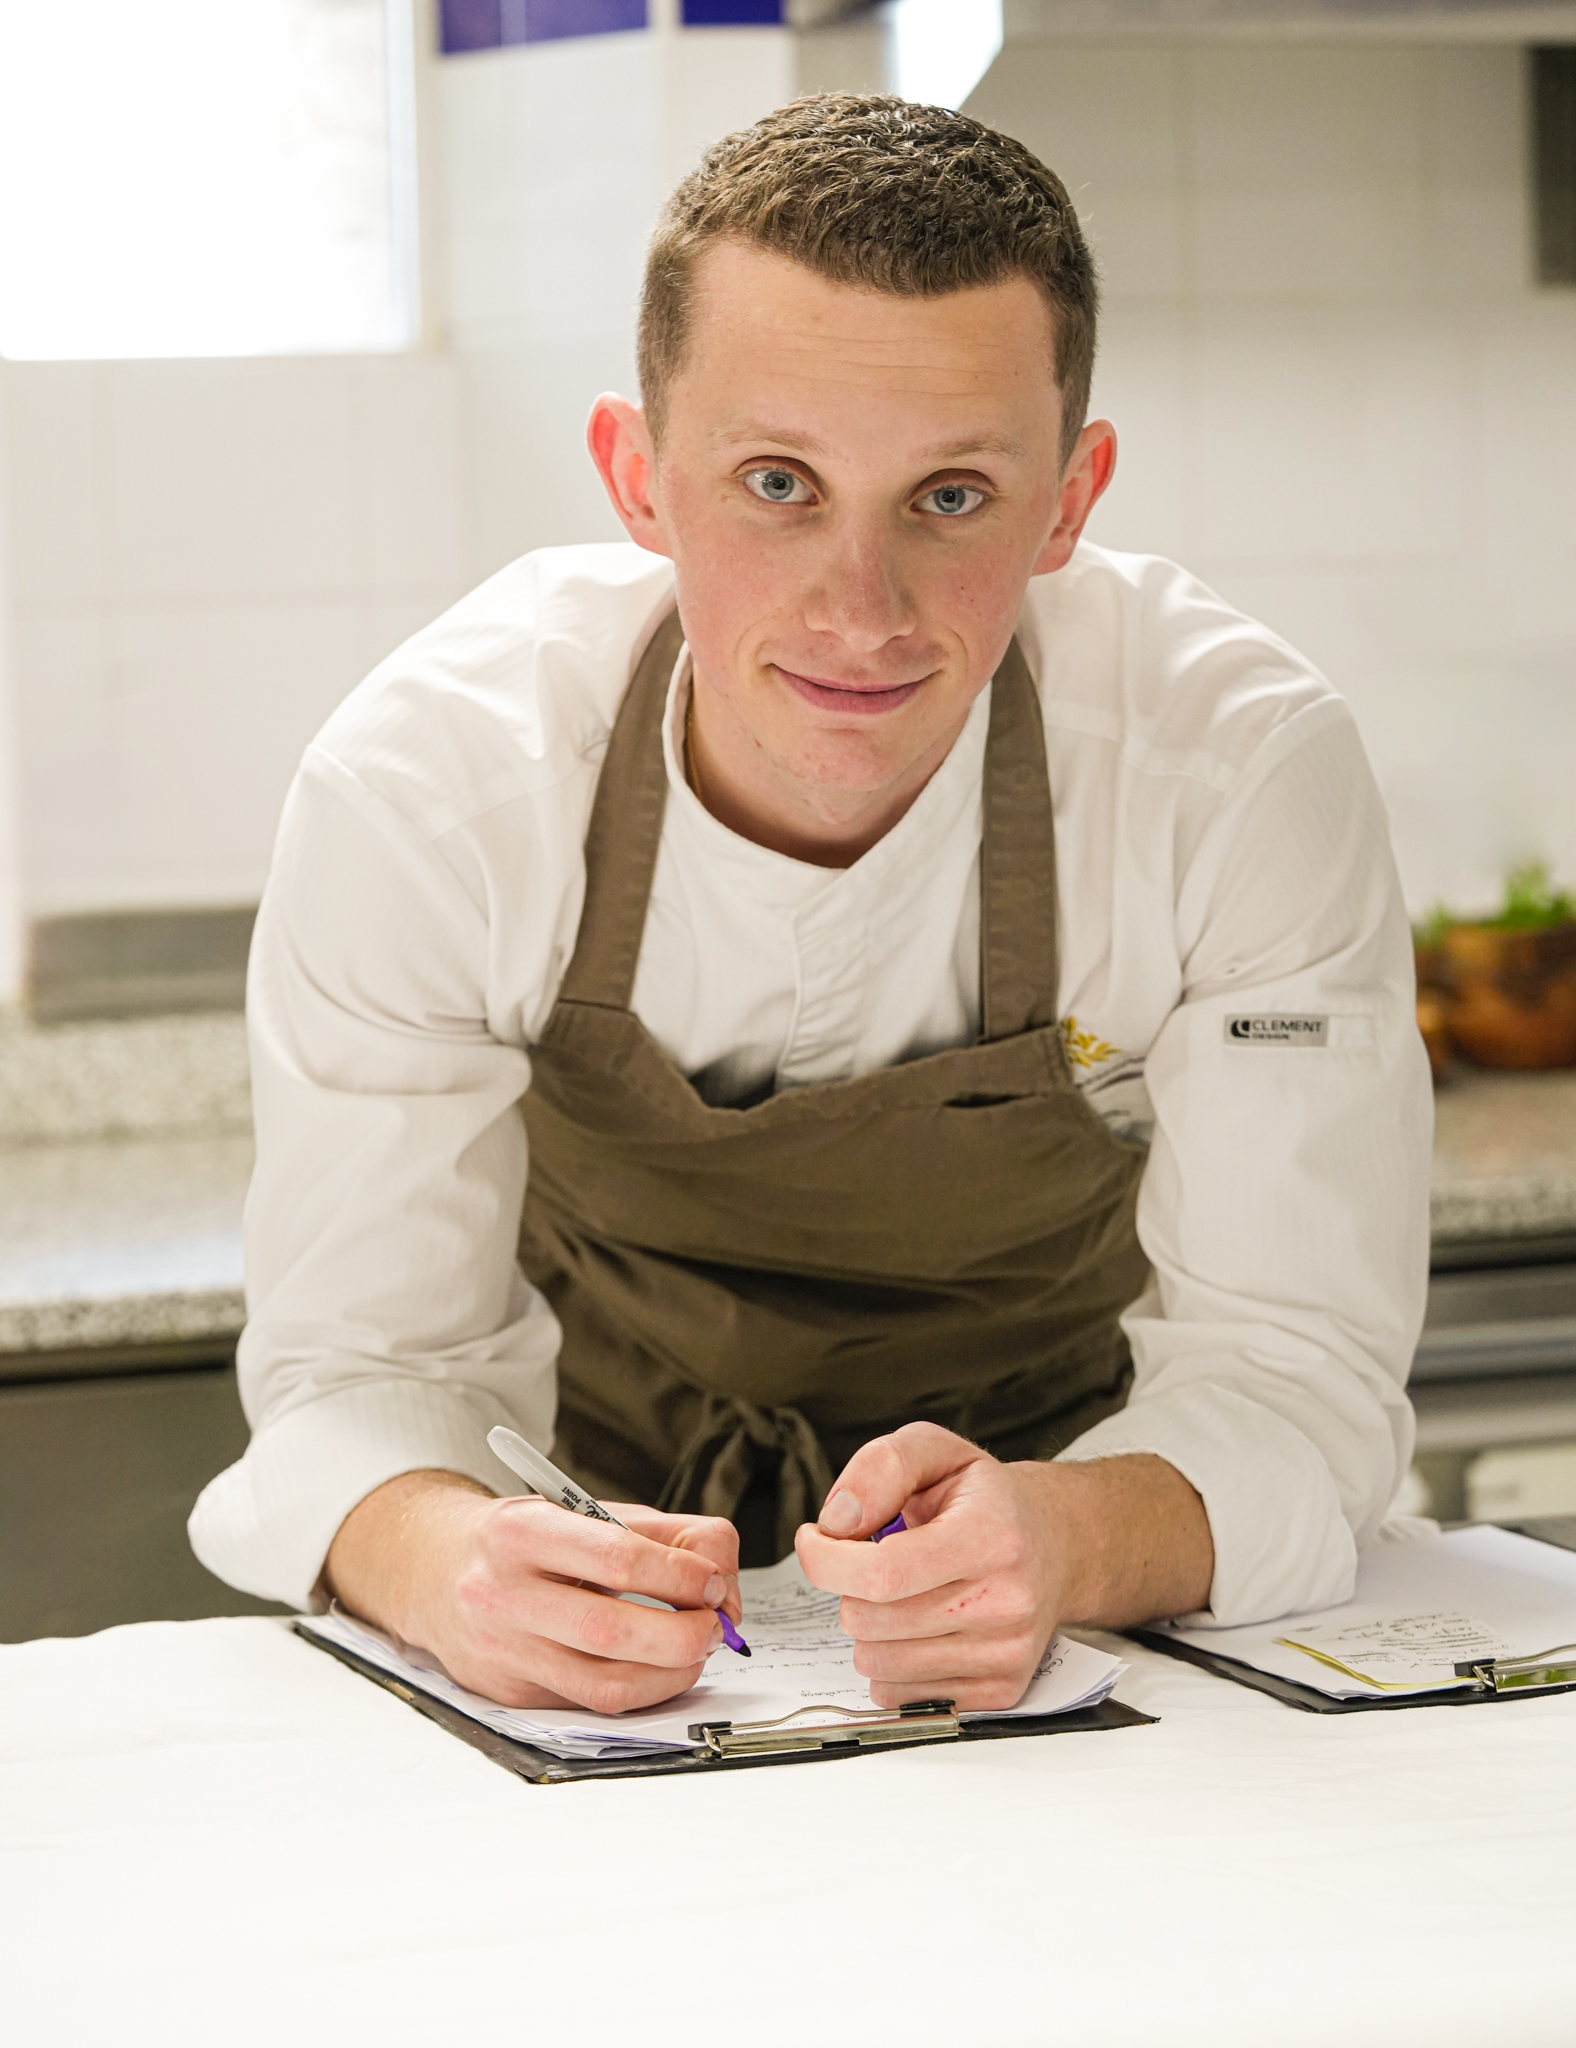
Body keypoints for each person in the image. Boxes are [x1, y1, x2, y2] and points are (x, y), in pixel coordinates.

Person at [191, 94, 1431, 1717]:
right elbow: (360, 1371)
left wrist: (1063, 1537)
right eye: (778, 482)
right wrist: (454, 1567)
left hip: (1100, 1618)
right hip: (605, 1620)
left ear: (1070, 497)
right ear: (638, 479)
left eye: (955, 496)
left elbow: (1299, 1370)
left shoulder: (1238, 769)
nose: (863, 610)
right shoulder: (433, 791)